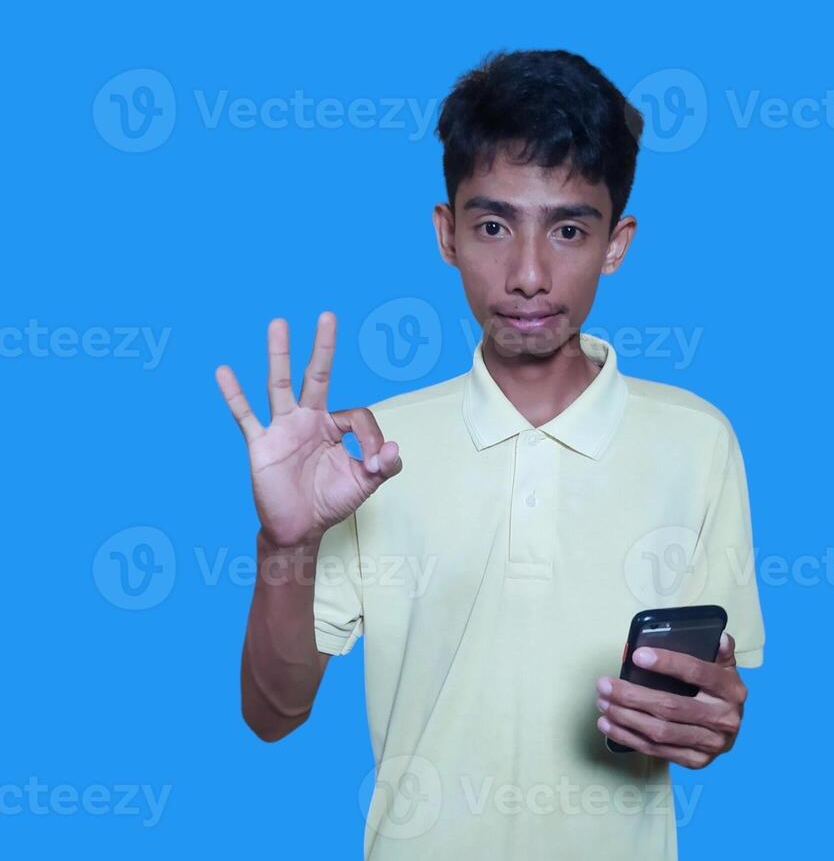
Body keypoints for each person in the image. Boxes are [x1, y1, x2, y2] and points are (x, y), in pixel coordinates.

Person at [215, 49, 765, 860]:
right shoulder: (367, 452)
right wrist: (285, 544)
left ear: (618, 242)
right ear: (447, 233)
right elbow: (273, 714)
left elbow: (715, 694)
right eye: (494, 225)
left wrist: (713, 719)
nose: (530, 274)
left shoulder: (697, 440)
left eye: (570, 229)